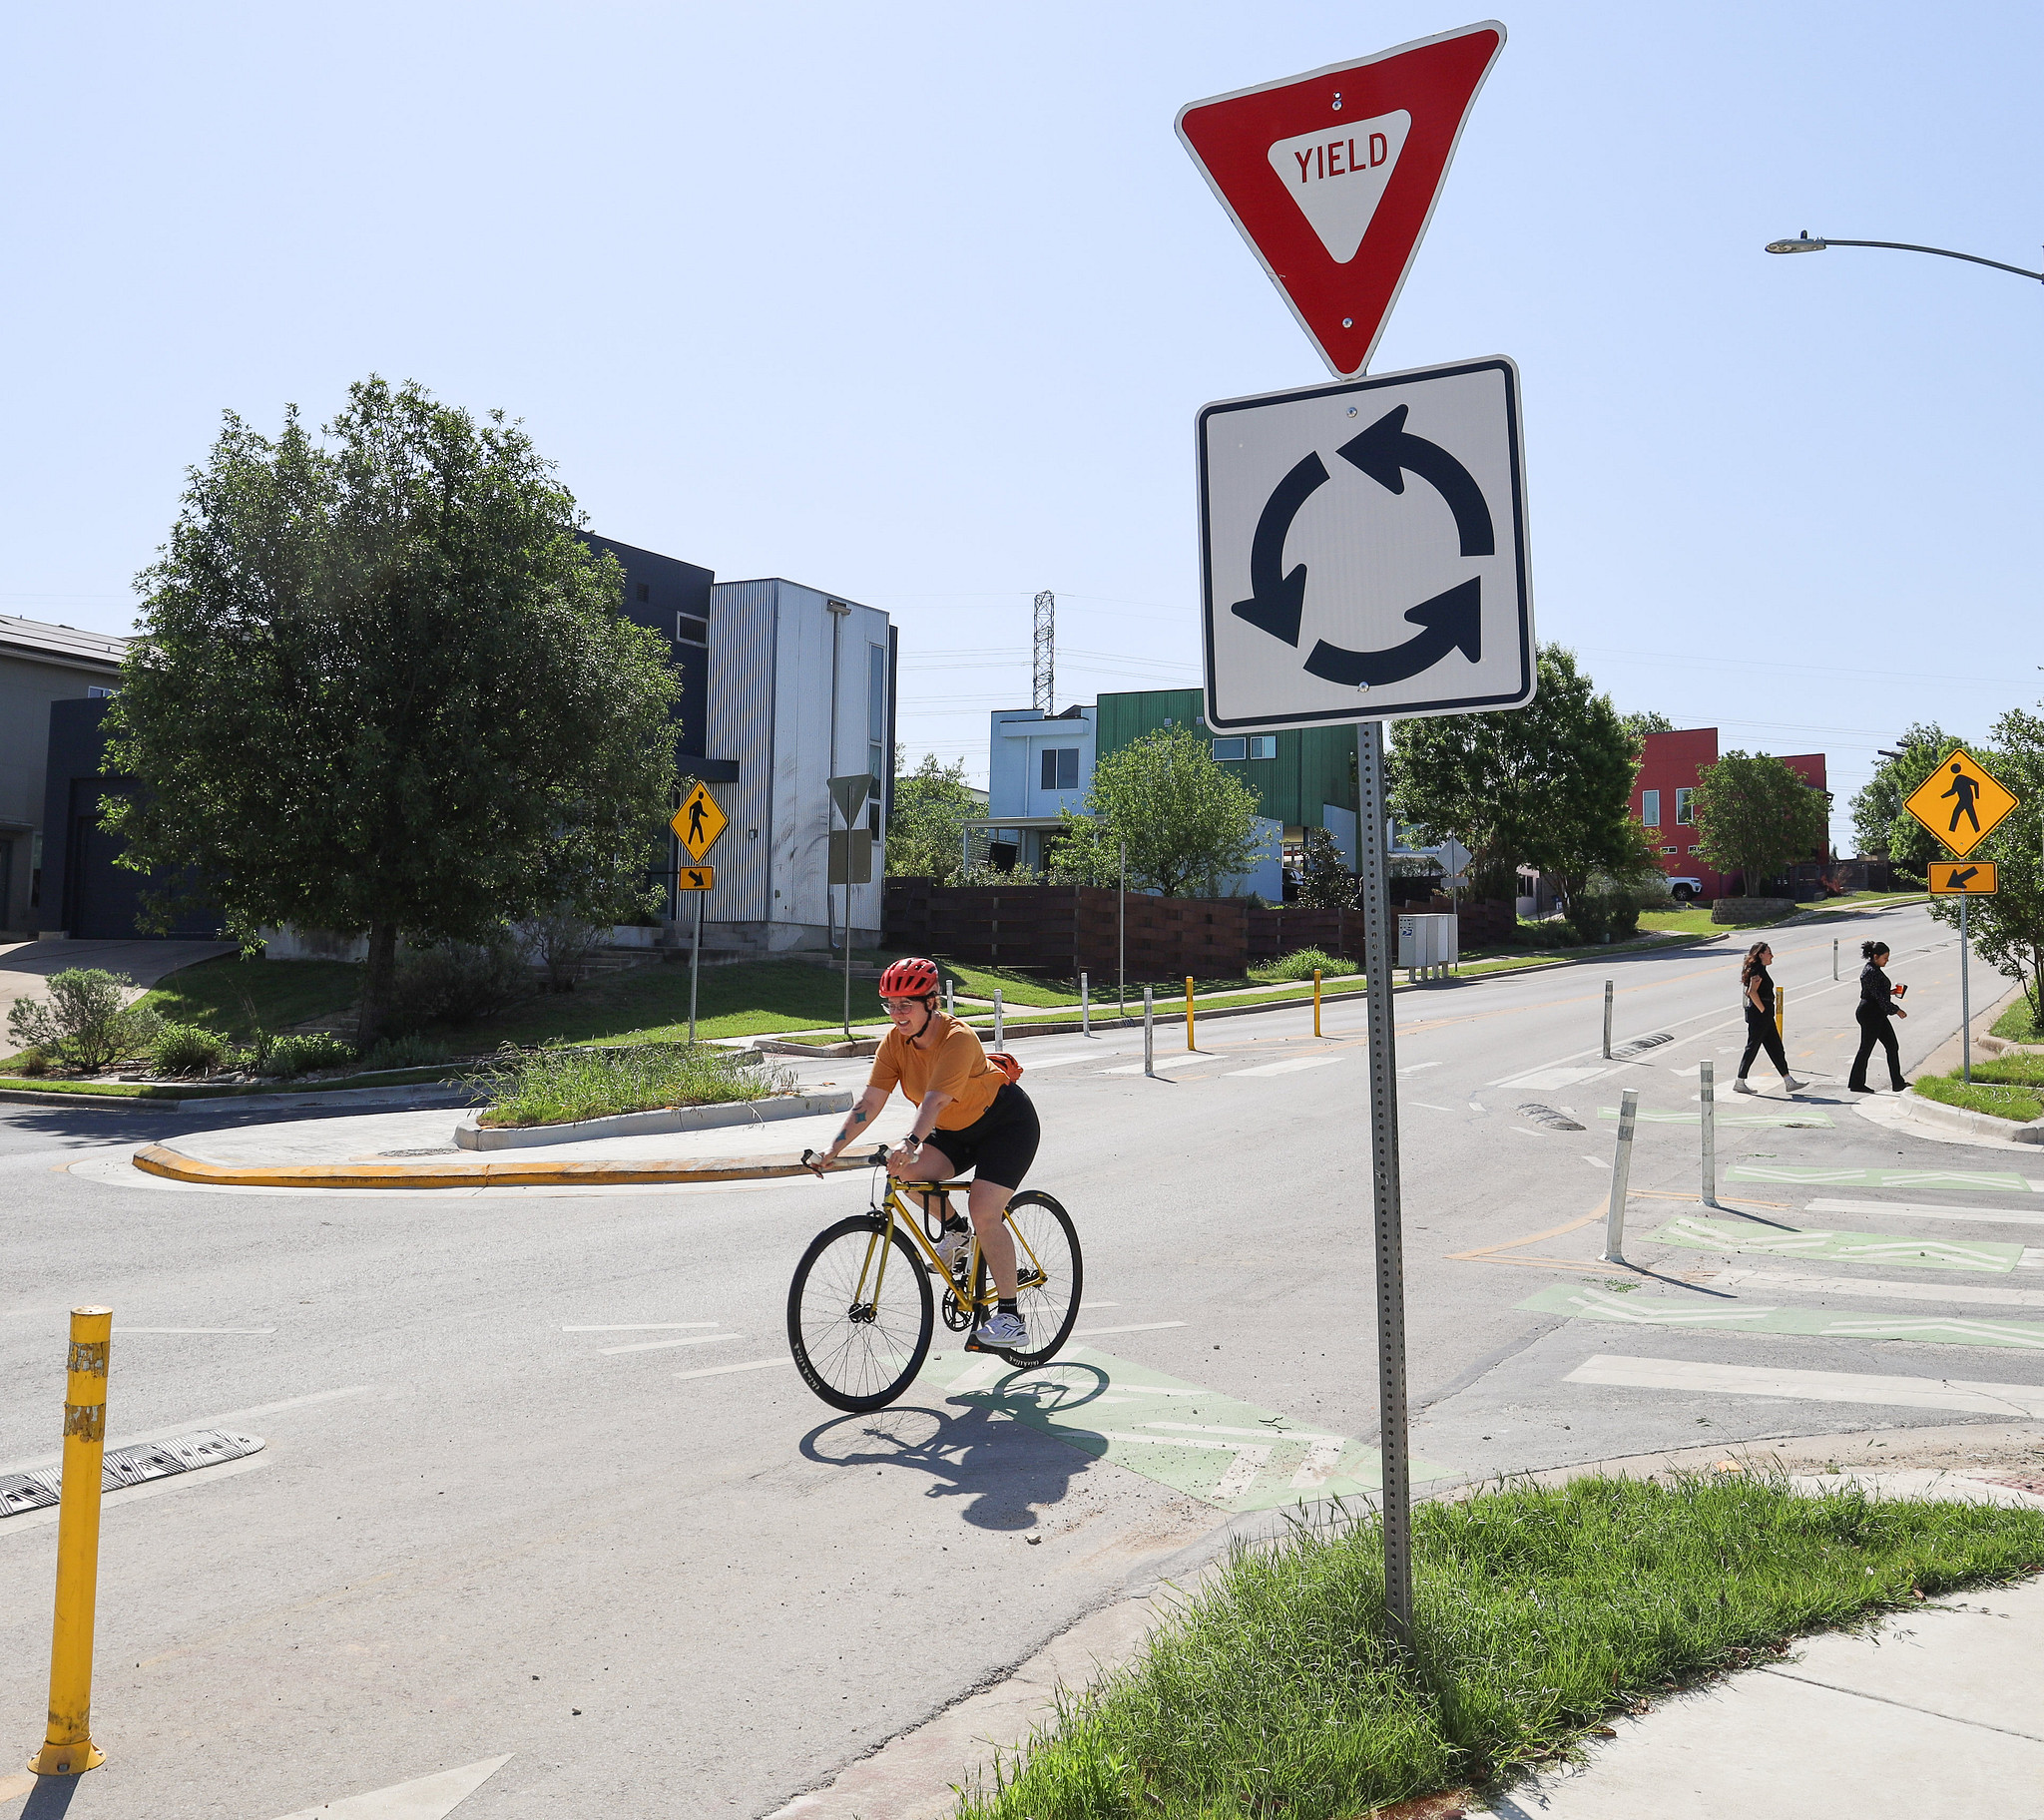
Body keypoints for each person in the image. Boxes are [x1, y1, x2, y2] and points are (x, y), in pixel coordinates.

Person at [806, 956, 1040, 1352]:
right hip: (954, 1130)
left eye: (905, 1006)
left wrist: (910, 1142)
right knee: (903, 1175)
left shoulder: (957, 1038)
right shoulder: (895, 1043)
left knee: (985, 1209)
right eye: (890, 1006)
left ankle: (1010, 1317)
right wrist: (833, 1147)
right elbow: (870, 1100)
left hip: (1004, 1125)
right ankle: (956, 1232)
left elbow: (931, 1103)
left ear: (931, 1002)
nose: (897, 1015)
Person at [1733, 941, 1804, 1095]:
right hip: (1760, 1015)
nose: (1772, 955)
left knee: (1776, 1047)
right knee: (1752, 1047)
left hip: (1764, 1014)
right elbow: (1751, 992)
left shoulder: (1761, 969)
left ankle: (1788, 1080)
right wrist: (1763, 1010)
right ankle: (1740, 1081)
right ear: (1761, 954)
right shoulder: (1757, 970)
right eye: (1769, 952)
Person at [1847, 939, 1908, 1093]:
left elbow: (1878, 993)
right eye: (1885, 958)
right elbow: (1879, 999)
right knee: (1866, 1048)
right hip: (1870, 1013)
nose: (1887, 961)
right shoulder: (1871, 972)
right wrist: (1897, 1010)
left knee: (1892, 1046)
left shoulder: (1874, 969)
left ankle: (1898, 1083)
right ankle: (1856, 1083)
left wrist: (1891, 992)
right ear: (1875, 956)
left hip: (1877, 1013)